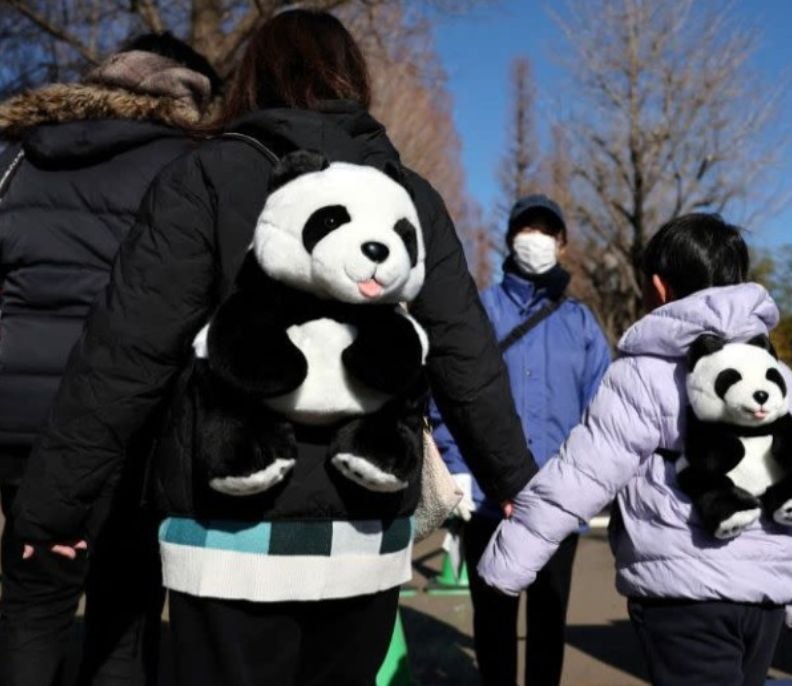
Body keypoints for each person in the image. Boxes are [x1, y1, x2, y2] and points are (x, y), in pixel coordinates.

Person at [9, 10, 537, 686]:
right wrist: (515, 481)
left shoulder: (206, 177)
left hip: (228, 535)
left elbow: (125, 355)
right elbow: (467, 357)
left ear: (252, 79)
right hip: (363, 533)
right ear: (354, 79)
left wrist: (52, 507)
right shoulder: (408, 197)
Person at [478, 214, 792, 686]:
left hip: (683, 591)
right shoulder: (777, 376)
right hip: (766, 597)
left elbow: (581, 475)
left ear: (659, 288)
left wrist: (507, 560)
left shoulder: (646, 374)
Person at [0, 33, 220, 686]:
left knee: (33, 601)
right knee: (123, 616)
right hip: (126, 421)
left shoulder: (17, 158)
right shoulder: (188, 166)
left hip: (16, 417)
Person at [432, 194, 609, 686]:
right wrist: (457, 466)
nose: (535, 238)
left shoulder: (581, 324)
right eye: (525, 228)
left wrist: (594, 483)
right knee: (493, 624)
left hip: (558, 502)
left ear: (562, 244)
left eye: (545, 230)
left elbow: (604, 412)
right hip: (489, 499)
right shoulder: (479, 312)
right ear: (511, 238)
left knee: (549, 624)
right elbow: (448, 391)